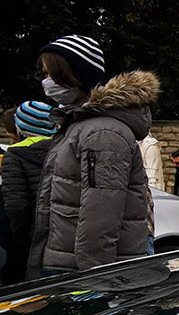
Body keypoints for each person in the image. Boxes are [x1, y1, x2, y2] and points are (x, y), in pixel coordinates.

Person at [27, 35, 160, 277]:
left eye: (51, 74)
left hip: (80, 273)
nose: (46, 82)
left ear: (75, 75)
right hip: (68, 263)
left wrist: (94, 280)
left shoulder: (102, 133)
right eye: (44, 75)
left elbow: (101, 218)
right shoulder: (79, 125)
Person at [1, 100, 55, 284]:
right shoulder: (69, 148)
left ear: (20, 127)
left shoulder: (14, 155)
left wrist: (19, 242)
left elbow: (16, 206)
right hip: (69, 236)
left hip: (35, 242)